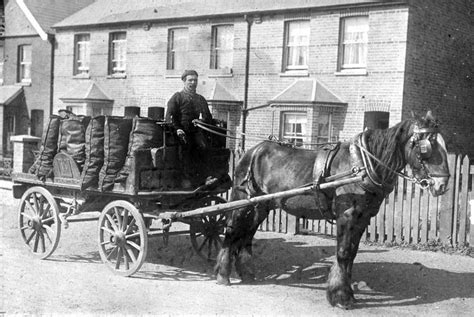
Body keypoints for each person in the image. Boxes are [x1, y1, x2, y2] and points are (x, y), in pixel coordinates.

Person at [165, 69, 213, 186]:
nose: (193, 83)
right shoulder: (177, 97)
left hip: (195, 132)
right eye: (190, 80)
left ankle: (204, 178)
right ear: (184, 81)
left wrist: (201, 120)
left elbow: (208, 118)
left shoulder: (200, 99)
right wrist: (177, 129)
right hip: (180, 132)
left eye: (195, 80)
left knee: (204, 147)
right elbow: (169, 116)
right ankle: (185, 180)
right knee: (184, 150)